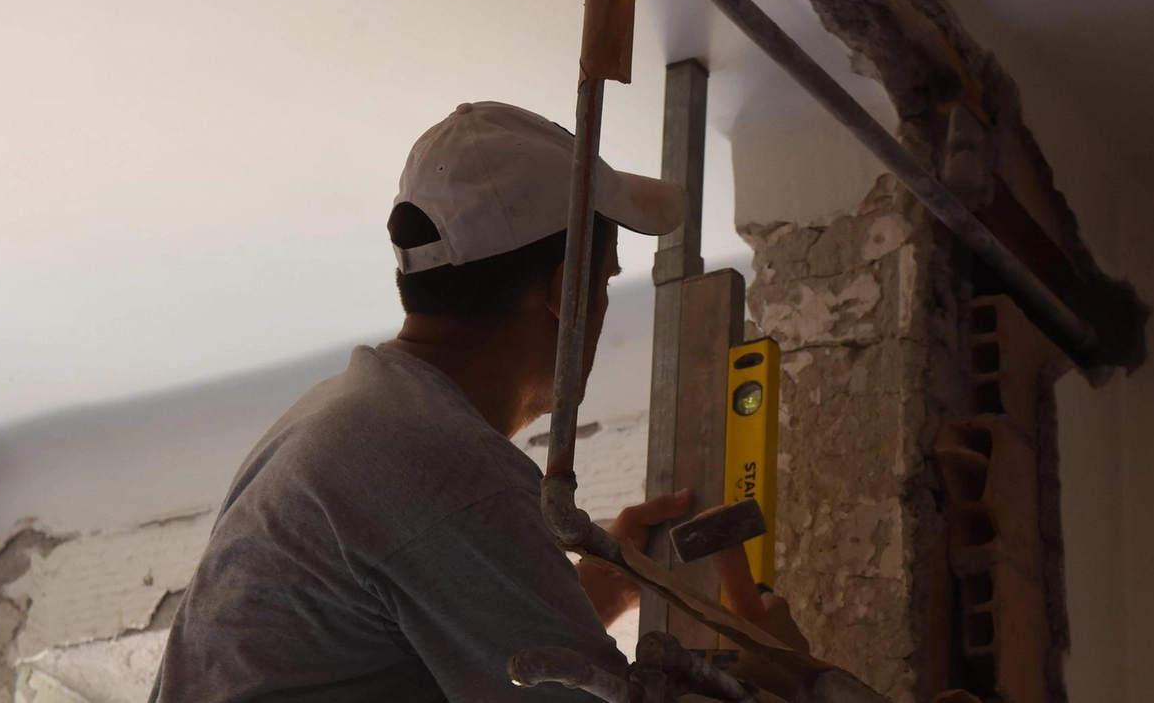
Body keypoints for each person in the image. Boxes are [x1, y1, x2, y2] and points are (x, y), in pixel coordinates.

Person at [149, 101, 803, 703]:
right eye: (603, 280)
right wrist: (769, 672)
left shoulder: (341, 417)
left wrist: (586, 597)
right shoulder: (444, 468)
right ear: (564, 295)